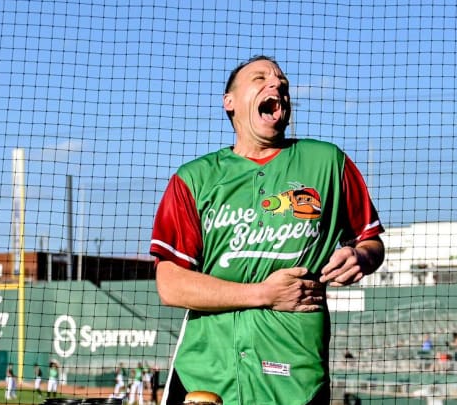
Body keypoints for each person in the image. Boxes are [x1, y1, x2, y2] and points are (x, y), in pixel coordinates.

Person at [150, 55, 385, 405]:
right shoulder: (193, 179)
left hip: (295, 376)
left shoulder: (327, 162)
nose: (276, 85)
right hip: (205, 375)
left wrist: (361, 256)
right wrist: (264, 293)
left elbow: (371, 241)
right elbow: (170, 284)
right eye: (260, 78)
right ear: (229, 101)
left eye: (283, 84)